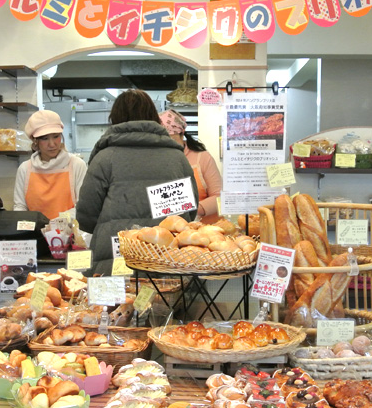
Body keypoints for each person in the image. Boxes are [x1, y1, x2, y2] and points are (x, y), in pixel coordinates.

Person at [76, 90, 196, 275]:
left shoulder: (105, 157)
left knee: (116, 304)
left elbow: (86, 214)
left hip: (116, 258)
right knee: (168, 301)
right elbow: (189, 212)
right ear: (153, 117)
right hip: (168, 258)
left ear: (115, 118)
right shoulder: (177, 157)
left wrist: (112, 227)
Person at [14, 109, 87, 220]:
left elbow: (82, 207)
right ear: (35, 141)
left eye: (56, 136)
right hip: (35, 233)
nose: (52, 144)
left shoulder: (76, 165)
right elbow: (20, 207)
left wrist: (57, 222)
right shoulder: (25, 169)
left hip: (70, 232)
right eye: (45, 138)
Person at [159, 109, 222, 224]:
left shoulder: (202, 157)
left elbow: (220, 197)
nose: (168, 146)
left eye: (172, 140)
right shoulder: (155, 161)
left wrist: (192, 210)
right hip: (166, 229)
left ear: (182, 134)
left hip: (204, 230)